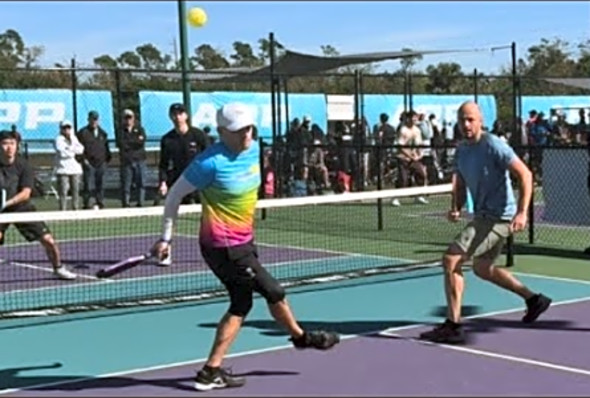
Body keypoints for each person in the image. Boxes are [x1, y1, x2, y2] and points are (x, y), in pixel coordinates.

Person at [151, 103, 340, 391]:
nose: (247, 134)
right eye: (239, 131)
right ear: (222, 132)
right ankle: (301, 338)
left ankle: (210, 371)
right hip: (223, 246)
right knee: (273, 290)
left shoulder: (253, 150)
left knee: (241, 303)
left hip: (244, 241)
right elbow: (174, 196)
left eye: (250, 128)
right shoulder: (207, 163)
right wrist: (166, 238)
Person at [419, 101, 551, 345]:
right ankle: (534, 299)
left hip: (498, 217)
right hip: (483, 215)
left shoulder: (493, 145)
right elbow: (459, 184)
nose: (466, 125)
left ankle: (453, 325)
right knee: (482, 268)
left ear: (480, 121)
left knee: (451, 260)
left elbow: (525, 175)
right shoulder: (461, 151)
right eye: (462, 120)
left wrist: (522, 212)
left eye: (471, 119)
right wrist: (456, 207)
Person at [0, 130, 76, 280]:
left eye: (12, 143)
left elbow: (26, 193)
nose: (9, 147)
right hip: (1, 212)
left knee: (48, 240)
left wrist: (5, 203)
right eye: (5, 144)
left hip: (20, 207)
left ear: (17, 145)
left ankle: (58, 268)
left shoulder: (23, 165)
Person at [156, 103, 210, 266]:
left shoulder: (198, 135)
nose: (177, 117)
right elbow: (164, 164)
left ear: (186, 115)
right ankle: (165, 254)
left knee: (210, 217)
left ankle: (215, 252)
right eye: (174, 114)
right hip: (179, 183)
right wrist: (163, 182)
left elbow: (210, 157)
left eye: (180, 113)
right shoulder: (167, 139)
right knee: (169, 216)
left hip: (201, 182)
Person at [76, 111, 111, 209]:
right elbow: (78, 148)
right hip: (89, 163)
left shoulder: (103, 133)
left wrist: (106, 160)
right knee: (88, 184)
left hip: (101, 163)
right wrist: (83, 160)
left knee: (100, 184)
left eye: (96, 119)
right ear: (89, 120)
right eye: (92, 119)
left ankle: (100, 202)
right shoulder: (82, 133)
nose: (94, 121)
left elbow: (106, 148)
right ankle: (87, 203)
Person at [117, 109, 147, 208]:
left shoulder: (140, 129)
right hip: (126, 162)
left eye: (130, 118)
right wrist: (134, 142)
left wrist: (130, 143)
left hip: (140, 160)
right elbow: (121, 144)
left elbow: (141, 142)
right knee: (126, 184)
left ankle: (140, 203)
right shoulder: (120, 131)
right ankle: (126, 204)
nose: (128, 120)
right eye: (126, 118)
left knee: (141, 182)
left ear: (133, 118)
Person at [54, 119, 84, 210]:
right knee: (63, 192)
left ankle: (75, 209)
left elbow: (81, 149)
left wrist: (69, 149)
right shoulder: (58, 139)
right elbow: (62, 153)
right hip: (63, 169)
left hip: (75, 169)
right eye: (64, 128)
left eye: (68, 127)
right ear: (61, 129)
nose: (67, 130)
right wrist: (73, 151)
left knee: (75, 191)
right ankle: (63, 210)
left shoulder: (74, 138)